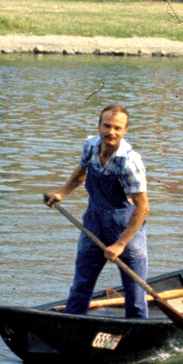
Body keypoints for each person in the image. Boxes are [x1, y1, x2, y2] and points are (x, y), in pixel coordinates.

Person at [44, 104, 151, 318]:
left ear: (125, 131)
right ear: (99, 126)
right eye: (107, 126)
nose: (111, 132)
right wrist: (62, 193)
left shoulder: (129, 162)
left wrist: (120, 244)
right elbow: (83, 169)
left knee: (135, 296)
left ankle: (137, 334)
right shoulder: (91, 146)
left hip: (125, 230)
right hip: (93, 223)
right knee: (81, 286)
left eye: (117, 128)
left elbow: (143, 207)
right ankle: (73, 327)